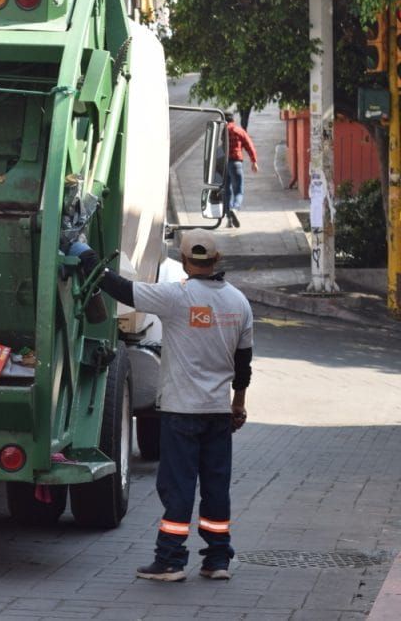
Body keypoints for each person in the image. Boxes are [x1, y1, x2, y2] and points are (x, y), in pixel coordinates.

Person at [70, 230, 253, 582]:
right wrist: (238, 405)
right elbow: (243, 364)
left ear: (185, 262)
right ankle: (217, 561)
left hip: (182, 412)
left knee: (178, 487)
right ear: (216, 261)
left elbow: (121, 289)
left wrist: (87, 256)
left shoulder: (177, 296)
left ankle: (170, 561)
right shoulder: (238, 303)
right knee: (216, 487)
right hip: (217, 413)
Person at [222, 112, 259, 228]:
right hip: (236, 163)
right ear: (233, 119)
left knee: (227, 191)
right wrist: (254, 161)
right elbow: (249, 145)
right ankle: (235, 208)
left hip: (225, 164)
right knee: (238, 191)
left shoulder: (224, 132)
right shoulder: (239, 130)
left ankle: (229, 220)